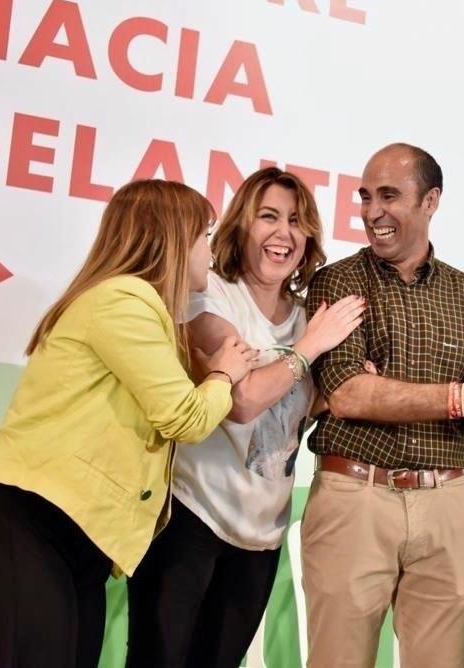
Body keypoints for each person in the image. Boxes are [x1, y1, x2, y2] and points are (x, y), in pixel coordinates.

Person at [0, 180, 257, 668]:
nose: (209, 252)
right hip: (25, 528)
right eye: (203, 235)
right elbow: (185, 418)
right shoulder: (124, 301)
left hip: (67, 538)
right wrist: (222, 374)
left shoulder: (139, 309)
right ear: (172, 239)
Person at [301, 143, 464, 667]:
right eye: (366, 197)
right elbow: (348, 393)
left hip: (447, 503)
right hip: (354, 496)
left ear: (430, 200)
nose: (373, 212)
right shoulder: (339, 281)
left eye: (388, 195)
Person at [125, 167, 365, 667]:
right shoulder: (207, 293)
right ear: (241, 227)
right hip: (190, 520)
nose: (284, 233)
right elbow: (241, 402)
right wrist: (312, 347)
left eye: (297, 221)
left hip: (261, 535)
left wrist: (338, 389)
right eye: (269, 217)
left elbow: (288, 411)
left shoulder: (305, 314)